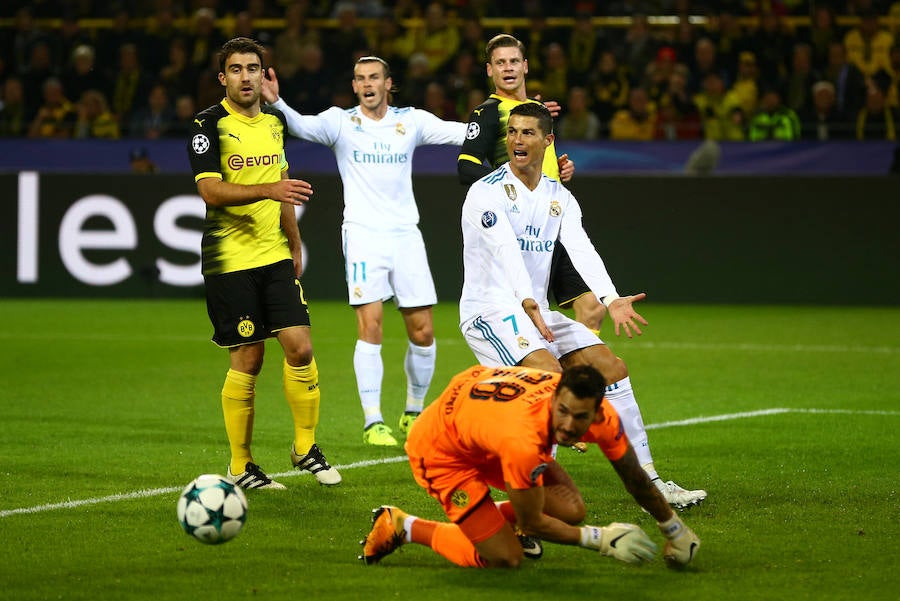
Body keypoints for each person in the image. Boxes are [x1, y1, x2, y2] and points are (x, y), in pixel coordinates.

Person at [458, 102, 707, 509]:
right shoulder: (485, 192)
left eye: (528, 133)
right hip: (490, 312)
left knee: (612, 369)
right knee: (550, 381)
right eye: (513, 132)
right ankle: (532, 494)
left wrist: (611, 299)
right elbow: (505, 251)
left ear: (547, 141)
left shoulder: (559, 196)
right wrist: (527, 302)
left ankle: (650, 482)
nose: (518, 140)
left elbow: (581, 248)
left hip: (535, 310)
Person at [260, 56, 467, 447]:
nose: (367, 84)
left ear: (389, 83)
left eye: (374, 77)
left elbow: (461, 132)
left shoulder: (412, 121)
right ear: (354, 86)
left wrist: (513, 118)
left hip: (406, 235)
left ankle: (413, 413)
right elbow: (302, 126)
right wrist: (277, 103)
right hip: (363, 236)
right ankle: (373, 421)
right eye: (360, 78)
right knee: (370, 325)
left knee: (423, 331)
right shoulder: (341, 122)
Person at [359, 363, 700, 568]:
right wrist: (601, 540)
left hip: (484, 423)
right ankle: (402, 526)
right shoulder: (523, 443)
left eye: (579, 417)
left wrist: (674, 528)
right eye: (562, 412)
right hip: (442, 449)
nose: (567, 425)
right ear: (554, 399)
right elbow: (533, 520)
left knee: (570, 509)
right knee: (506, 559)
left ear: (597, 414)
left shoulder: (602, 417)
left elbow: (635, 477)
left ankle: (489, 523)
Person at [187, 37, 341, 490]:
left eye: (252, 68)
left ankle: (304, 447)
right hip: (230, 258)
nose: (246, 76)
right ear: (223, 78)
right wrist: (269, 191)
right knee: (248, 359)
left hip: (274, 253)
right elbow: (210, 191)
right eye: (236, 69)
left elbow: (283, 184)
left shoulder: (274, 122)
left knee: (301, 346)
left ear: (262, 74)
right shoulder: (208, 124)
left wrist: (295, 243)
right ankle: (241, 466)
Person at [456, 34, 605, 335]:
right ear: (490, 70)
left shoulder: (535, 113)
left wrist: (560, 171)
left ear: (525, 65)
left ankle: (571, 379)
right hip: (521, 230)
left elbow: (538, 165)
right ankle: (548, 377)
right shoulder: (487, 113)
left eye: (513, 61)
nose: (508, 68)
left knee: (593, 307)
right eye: (500, 63)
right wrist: (511, 193)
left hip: (550, 221)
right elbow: (466, 166)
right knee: (525, 321)